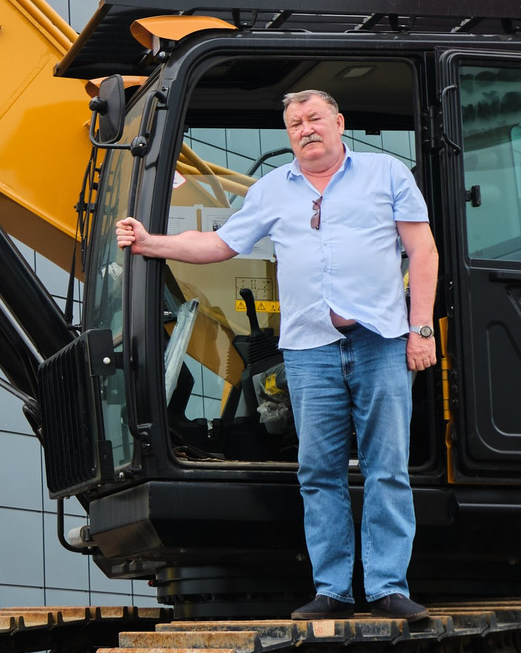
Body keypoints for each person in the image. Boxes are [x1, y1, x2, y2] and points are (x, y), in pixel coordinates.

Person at [115, 89, 439, 621]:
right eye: (294, 124)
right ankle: (333, 589)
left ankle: (386, 587)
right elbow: (221, 246)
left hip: (380, 340)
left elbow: (421, 250)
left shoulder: (386, 174)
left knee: (387, 467)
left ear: (339, 121)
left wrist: (420, 329)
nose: (305, 129)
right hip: (309, 348)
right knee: (318, 470)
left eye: (314, 119)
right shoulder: (272, 190)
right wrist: (152, 243)